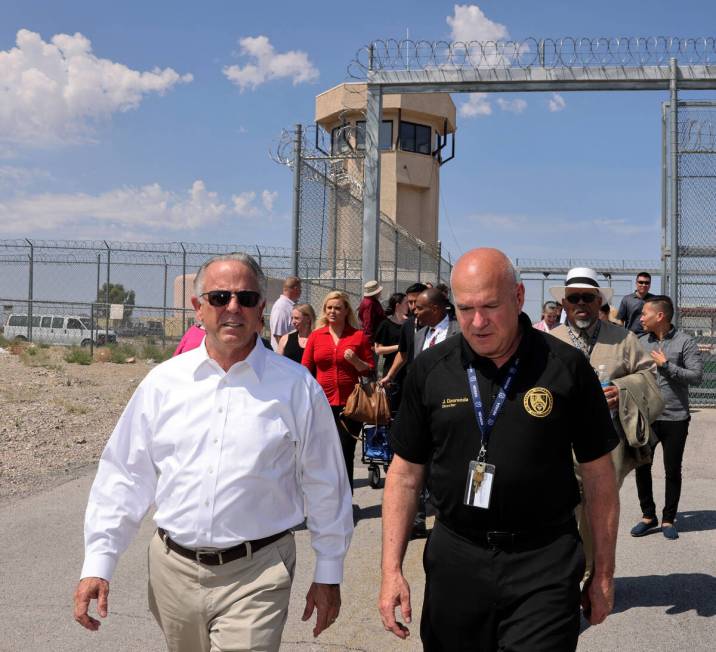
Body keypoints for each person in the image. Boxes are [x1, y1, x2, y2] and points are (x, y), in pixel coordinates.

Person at [73, 254, 353, 652]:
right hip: (173, 572)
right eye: (220, 297)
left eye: (246, 297)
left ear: (261, 309)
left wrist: (329, 571)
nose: (233, 308)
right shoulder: (163, 384)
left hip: (258, 573)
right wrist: (98, 564)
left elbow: (326, 482)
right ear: (198, 308)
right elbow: (125, 475)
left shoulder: (296, 388)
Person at [379, 249, 619, 650]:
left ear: (518, 297)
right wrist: (391, 571)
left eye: (491, 306)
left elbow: (599, 476)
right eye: (466, 308)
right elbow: (404, 475)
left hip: (544, 561)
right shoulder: (430, 370)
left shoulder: (566, 367)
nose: (477, 322)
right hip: (457, 559)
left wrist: (604, 575)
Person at [550, 267, 657, 576]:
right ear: (565, 303)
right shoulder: (548, 340)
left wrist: (622, 391)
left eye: (588, 297)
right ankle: (564, 574)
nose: (581, 304)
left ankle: (595, 573)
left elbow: (649, 376)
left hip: (607, 445)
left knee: (598, 509)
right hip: (558, 444)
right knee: (561, 509)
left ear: (599, 302)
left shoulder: (624, 339)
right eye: (574, 298)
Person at [631, 295, 704, 540]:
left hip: (675, 418)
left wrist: (666, 366)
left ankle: (668, 519)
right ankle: (648, 515)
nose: (641, 318)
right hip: (647, 417)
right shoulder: (640, 342)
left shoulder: (685, 342)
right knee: (642, 467)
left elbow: (696, 376)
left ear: (660, 316)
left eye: (645, 314)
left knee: (672, 470)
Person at [302, 290, 374, 491]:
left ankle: (344, 500)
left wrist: (356, 361)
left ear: (346, 311)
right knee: (323, 453)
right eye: (329, 308)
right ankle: (326, 498)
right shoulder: (316, 336)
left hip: (350, 405)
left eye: (337, 308)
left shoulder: (357, 336)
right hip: (321, 403)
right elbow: (305, 368)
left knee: (345, 451)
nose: (332, 311)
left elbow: (369, 369)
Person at [378, 282, 427, 387]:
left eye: (417, 301)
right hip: (412, 380)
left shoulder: (438, 325)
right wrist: (390, 376)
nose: (413, 306)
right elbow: (403, 353)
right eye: (410, 302)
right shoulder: (408, 325)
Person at [373, 292, 409, 409]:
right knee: (392, 403)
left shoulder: (410, 323)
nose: (409, 305)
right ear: (398, 306)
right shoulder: (385, 325)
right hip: (392, 369)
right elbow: (378, 349)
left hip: (408, 368)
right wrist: (400, 347)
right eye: (406, 303)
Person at [269, 276, 301, 350]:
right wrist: (286, 354)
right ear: (296, 289)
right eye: (300, 288)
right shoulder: (282, 307)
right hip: (283, 356)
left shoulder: (289, 305)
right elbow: (278, 334)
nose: (301, 291)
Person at [357, 280, 386, 346]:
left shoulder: (372, 301)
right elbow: (368, 323)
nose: (380, 293)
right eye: (379, 291)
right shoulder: (369, 303)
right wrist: (370, 342)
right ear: (375, 293)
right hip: (371, 339)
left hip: (374, 336)